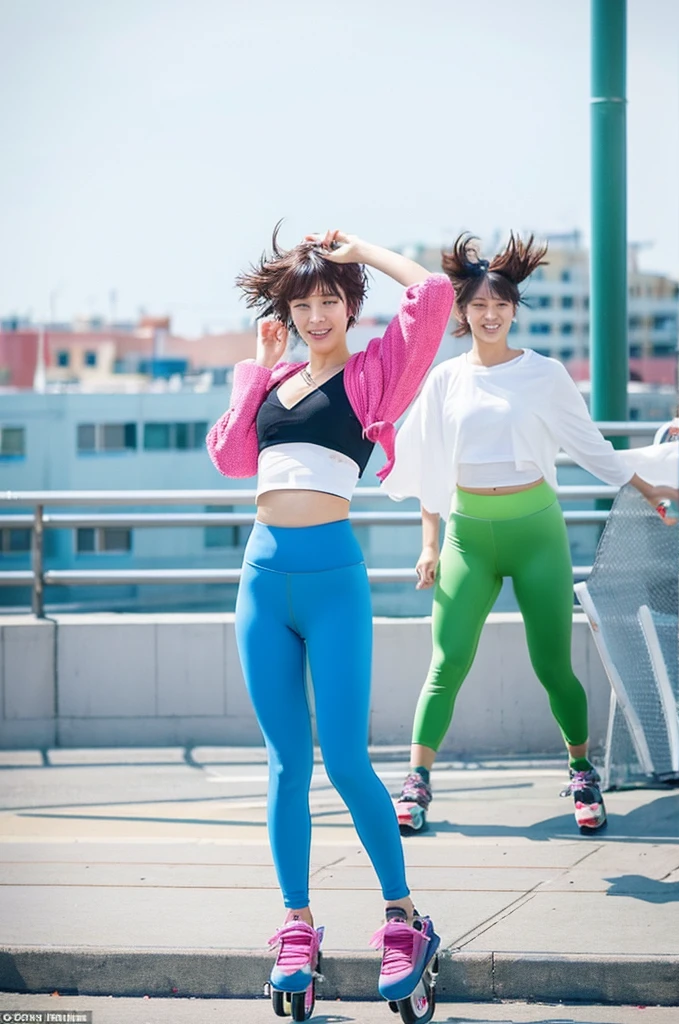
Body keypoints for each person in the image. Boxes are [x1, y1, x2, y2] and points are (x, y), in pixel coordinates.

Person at [206, 227, 453, 1002]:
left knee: (345, 761)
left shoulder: (372, 376)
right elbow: (230, 459)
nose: (316, 316)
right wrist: (255, 362)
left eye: (330, 302)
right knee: (286, 765)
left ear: (350, 308)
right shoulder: (272, 381)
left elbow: (435, 297)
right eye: (303, 304)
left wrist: (361, 251)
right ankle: (297, 922)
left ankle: (404, 916)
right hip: (260, 581)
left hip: (333, 582)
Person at [382, 232, 679, 835]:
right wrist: (430, 544)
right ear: (463, 313)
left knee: (553, 666)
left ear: (515, 309)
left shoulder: (543, 374)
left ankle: (580, 771)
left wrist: (647, 486)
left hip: (536, 530)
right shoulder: (444, 380)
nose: (490, 315)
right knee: (446, 663)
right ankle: (416, 783)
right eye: (479, 306)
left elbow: (587, 441)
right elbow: (432, 469)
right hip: (468, 534)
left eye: (502, 305)